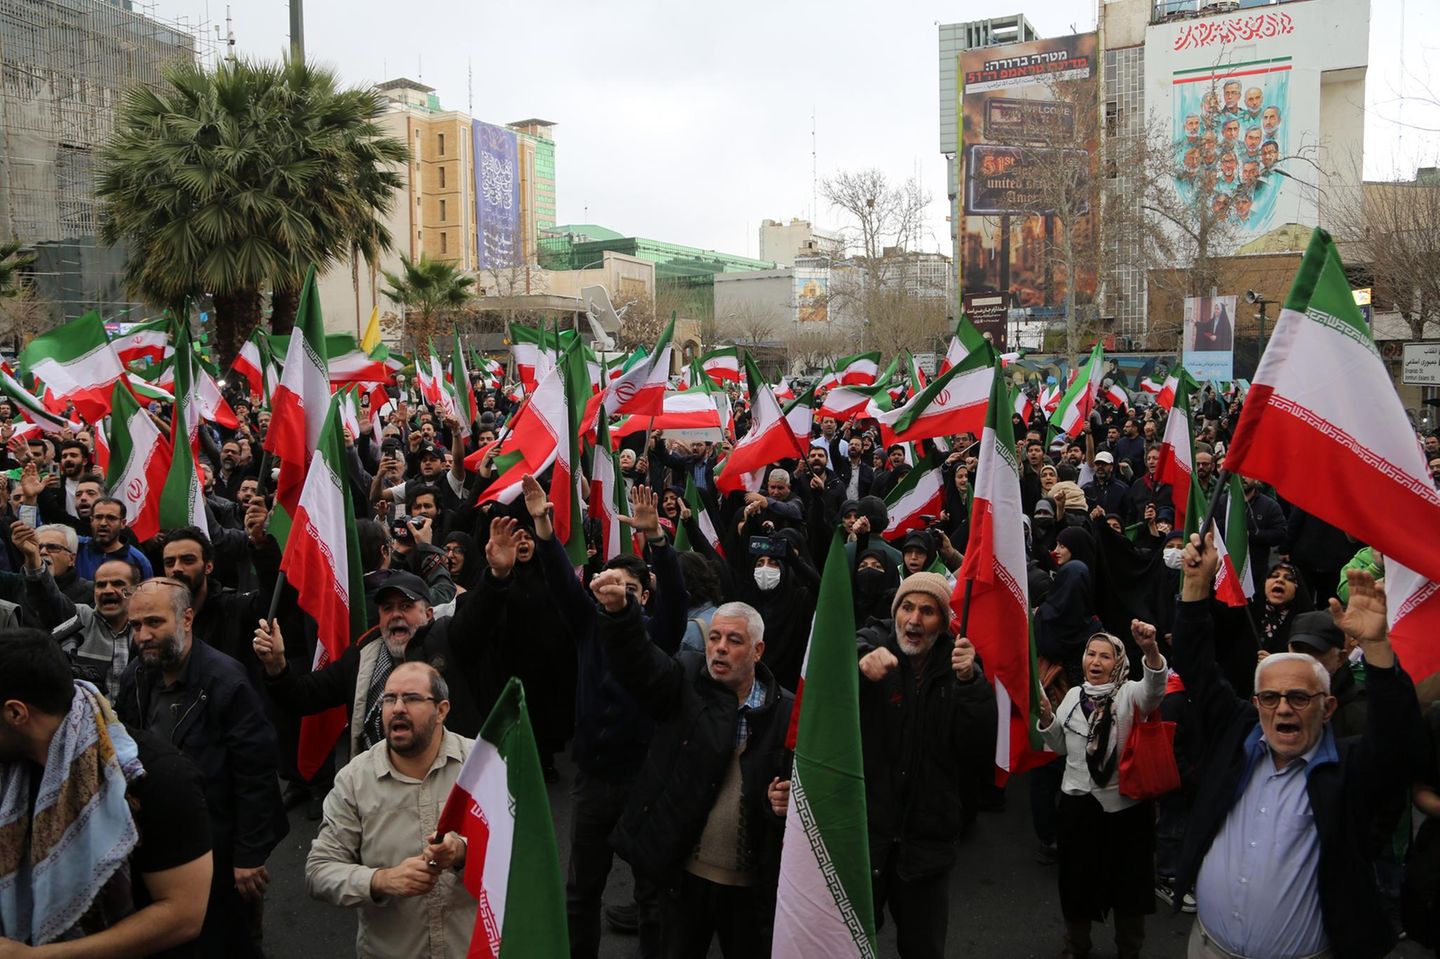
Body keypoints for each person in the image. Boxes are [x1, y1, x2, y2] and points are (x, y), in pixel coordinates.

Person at [1170, 532, 1419, 959]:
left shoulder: (1346, 769)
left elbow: (1397, 740)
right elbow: (1197, 666)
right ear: (1256, 703)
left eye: (1299, 698)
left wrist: (1377, 648)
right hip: (1207, 945)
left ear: (1327, 707)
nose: (1283, 709)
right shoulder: (1238, 738)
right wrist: (1194, 586)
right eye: (1270, 697)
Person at [592, 578, 793, 958]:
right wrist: (620, 615)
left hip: (751, 890)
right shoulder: (686, 685)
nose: (719, 648)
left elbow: (810, 791)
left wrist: (786, 801)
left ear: (757, 650)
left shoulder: (785, 713)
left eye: (734, 641)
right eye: (715, 637)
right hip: (683, 881)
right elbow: (641, 664)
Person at [0, 630, 212, 954]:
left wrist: (36, 956)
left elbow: (182, 916)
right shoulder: (12, 767)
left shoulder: (158, 779)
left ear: (16, 713)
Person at [116, 577, 289, 957]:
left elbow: (256, 773)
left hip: (217, 845)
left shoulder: (226, 682)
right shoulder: (136, 676)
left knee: (223, 939)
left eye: (154, 623)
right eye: (135, 626)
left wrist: (248, 855)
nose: (143, 635)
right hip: (158, 841)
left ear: (187, 618)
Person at [853, 572, 996, 958]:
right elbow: (841, 657)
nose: (914, 620)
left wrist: (971, 684)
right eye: (907, 607)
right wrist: (858, 663)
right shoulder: (873, 646)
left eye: (928, 611)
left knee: (922, 947)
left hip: (927, 840)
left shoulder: (959, 667)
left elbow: (978, 752)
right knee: (846, 941)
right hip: (869, 836)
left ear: (944, 620)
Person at [306, 662, 477, 958]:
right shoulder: (354, 780)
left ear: (442, 710)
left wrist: (463, 852)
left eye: (411, 698)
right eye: (389, 699)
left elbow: (522, 848)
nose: (397, 708)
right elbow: (319, 871)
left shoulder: (480, 766)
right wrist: (381, 881)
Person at [1037, 623, 1168, 959]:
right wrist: (1049, 720)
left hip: (1125, 812)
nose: (1095, 662)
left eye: (1105, 656)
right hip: (1078, 809)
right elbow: (1059, 750)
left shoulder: (1130, 695)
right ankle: (1076, 945)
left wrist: (1151, 650)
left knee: (1128, 889)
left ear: (1118, 662)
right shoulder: (1071, 696)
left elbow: (1154, 688)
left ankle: (1129, 949)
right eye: (1090, 654)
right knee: (1076, 884)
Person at [74, 497, 154, 581]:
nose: (103, 523)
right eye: (98, 517)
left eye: (111, 518)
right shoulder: (76, 547)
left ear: (122, 523)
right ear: (91, 520)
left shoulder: (138, 561)